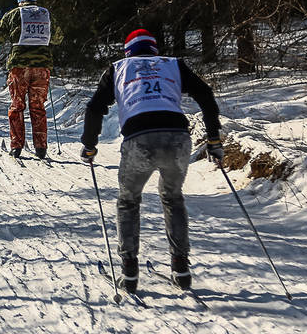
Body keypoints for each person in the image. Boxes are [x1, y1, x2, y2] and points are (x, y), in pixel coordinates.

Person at [79, 28, 222, 295]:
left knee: (129, 200)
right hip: (177, 137)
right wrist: (213, 139)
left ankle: (129, 271)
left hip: (139, 139)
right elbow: (205, 94)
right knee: (172, 197)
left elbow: (94, 107)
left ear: (128, 52)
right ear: (154, 49)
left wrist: (89, 144)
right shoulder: (173, 64)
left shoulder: (118, 68)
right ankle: (181, 267)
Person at [0, 0, 59, 159]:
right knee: (38, 107)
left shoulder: (13, 15)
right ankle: (41, 147)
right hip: (42, 66)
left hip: (19, 67)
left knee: (17, 106)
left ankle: (16, 146)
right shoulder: (45, 14)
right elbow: (58, 38)